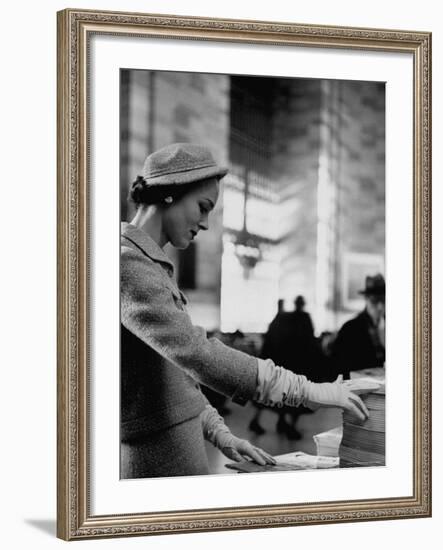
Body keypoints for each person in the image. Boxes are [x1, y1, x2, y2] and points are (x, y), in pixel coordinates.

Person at [120, 142, 369, 478]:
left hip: (180, 447)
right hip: (154, 461)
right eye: (203, 207)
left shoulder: (150, 264)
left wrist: (222, 435)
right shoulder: (127, 263)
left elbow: (174, 375)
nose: (206, 223)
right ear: (170, 193)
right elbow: (198, 355)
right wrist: (309, 391)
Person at [332, 274, 386, 380]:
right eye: (375, 301)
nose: (380, 307)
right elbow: (338, 369)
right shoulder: (350, 329)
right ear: (366, 299)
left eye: (383, 301)